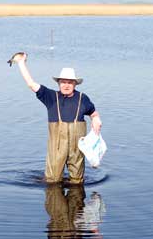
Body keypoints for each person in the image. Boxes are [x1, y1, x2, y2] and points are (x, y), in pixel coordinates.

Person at [12, 52, 102, 184]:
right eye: (63, 82)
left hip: (77, 150)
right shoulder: (51, 97)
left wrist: (96, 119)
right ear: (59, 83)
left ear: (75, 84)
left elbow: (94, 113)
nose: (66, 85)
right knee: (52, 181)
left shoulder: (83, 98)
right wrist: (21, 63)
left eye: (70, 82)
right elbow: (31, 84)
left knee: (78, 181)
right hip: (57, 149)